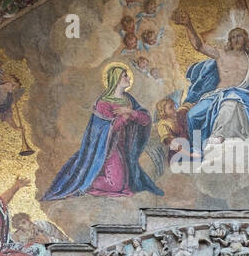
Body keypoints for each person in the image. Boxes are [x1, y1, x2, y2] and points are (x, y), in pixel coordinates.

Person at [43, 63, 163, 199]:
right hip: (107, 149)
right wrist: (124, 118)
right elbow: (103, 130)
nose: (128, 77)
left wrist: (130, 111)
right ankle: (84, 182)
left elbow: (146, 119)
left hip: (126, 148)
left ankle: (93, 176)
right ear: (116, 79)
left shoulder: (128, 100)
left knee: (129, 184)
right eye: (124, 76)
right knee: (117, 186)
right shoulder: (103, 103)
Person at [173, 10, 249, 143]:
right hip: (218, 95)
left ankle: (219, 135)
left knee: (230, 103)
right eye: (233, 37)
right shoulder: (221, 54)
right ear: (229, 40)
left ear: (246, 38)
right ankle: (197, 149)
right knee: (192, 115)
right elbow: (199, 46)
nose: (236, 39)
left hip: (240, 95)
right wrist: (188, 25)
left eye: (239, 36)